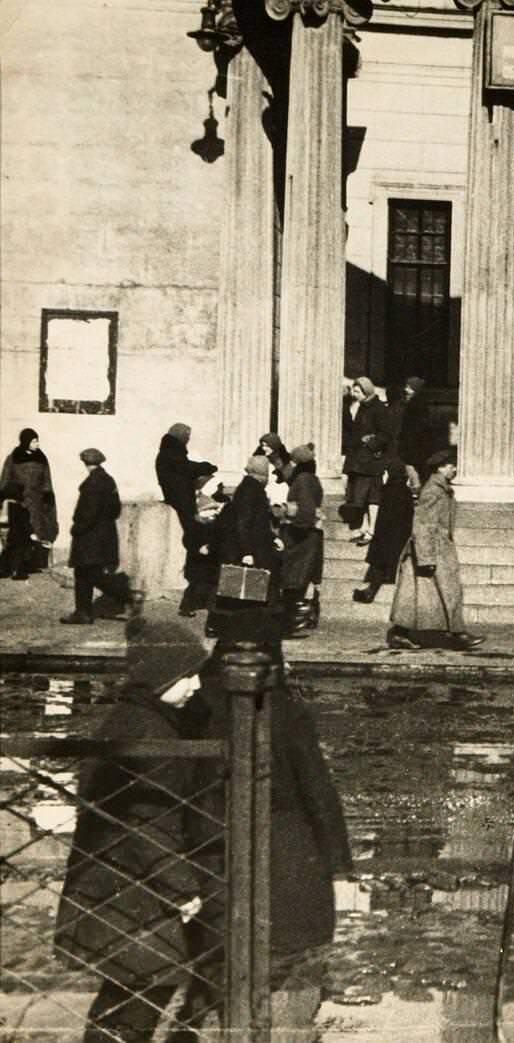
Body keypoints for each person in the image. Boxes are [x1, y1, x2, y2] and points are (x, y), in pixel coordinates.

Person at [54, 613, 215, 1043]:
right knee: (142, 993)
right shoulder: (150, 733)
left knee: (128, 993)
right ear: (160, 677)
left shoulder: (132, 719)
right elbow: (149, 820)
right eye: (188, 676)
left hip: (112, 884)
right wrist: (182, 890)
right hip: (133, 890)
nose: (197, 686)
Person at [186, 635, 353, 1039]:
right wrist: (340, 868)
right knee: (290, 973)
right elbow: (318, 791)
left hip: (213, 849)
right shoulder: (287, 712)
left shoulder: (195, 708)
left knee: (218, 975)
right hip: (288, 855)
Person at [388, 449, 484, 650]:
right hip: (433, 548)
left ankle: (400, 633)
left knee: (417, 595)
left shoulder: (440, 488)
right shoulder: (433, 490)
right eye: (451, 466)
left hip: (438, 547)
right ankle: (457, 633)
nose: (454, 469)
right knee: (446, 591)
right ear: (441, 468)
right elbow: (423, 524)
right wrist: (426, 557)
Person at [210, 455, 282, 637]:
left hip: (248, 545)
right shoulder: (252, 490)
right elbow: (245, 521)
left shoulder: (248, 487)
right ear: (262, 474)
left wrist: (272, 537)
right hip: (248, 547)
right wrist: (247, 551)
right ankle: (220, 625)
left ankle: (226, 625)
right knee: (238, 588)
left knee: (240, 588)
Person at [62, 449, 134, 625]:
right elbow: (116, 509)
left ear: (85, 463)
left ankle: (125, 597)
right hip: (104, 534)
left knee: (91, 574)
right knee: (85, 573)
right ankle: (83, 612)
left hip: (89, 537)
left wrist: (77, 529)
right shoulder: (108, 480)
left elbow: (88, 513)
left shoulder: (92, 482)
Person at [155, 423, 219, 617]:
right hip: (183, 504)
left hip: (182, 503)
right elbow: (187, 468)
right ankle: (194, 601)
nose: (188, 439)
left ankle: (194, 600)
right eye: (187, 436)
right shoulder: (171, 453)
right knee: (199, 546)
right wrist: (208, 466)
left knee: (198, 547)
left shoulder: (169, 451)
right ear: (180, 437)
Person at [353, 449, 416, 604]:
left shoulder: (390, 491)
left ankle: (370, 592)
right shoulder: (403, 491)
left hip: (388, 536)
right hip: (398, 537)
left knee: (379, 561)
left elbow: (386, 518)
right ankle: (370, 591)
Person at [280, 444, 324, 637]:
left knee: (294, 581)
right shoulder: (310, 478)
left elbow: (305, 510)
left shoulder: (304, 480)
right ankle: (299, 618)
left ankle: (292, 622)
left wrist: (290, 520)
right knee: (299, 581)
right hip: (308, 538)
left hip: (301, 539)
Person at [1, 427, 57, 570]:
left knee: (36, 530)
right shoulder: (13, 457)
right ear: (26, 442)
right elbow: (5, 478)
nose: (37, 444)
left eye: (37, 441)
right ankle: (15, 565)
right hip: (18, 501)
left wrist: (47, 495)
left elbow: (47, 479)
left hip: (36, 501)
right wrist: (5, 495)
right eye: (34, 441)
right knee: (18, 532)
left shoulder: (41, 458)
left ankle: (32, 563)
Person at [342, 377, 387, 544]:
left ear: (366, 391)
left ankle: (372, 530)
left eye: (357, 391)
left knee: (373, 497)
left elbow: (385, 434)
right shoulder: (362, 407)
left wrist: (371, 443)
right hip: (360, 460)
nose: (354, 394)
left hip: (372, 462)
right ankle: (364, 527)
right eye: (353, 391)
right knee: (363, 496)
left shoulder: (379, 409)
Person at [0, 477, 35, 579]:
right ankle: (16, 571)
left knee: (6, 551)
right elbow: (25, 523)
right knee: (18, 552)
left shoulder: (3, 506)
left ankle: (2, 569)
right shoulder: (20, 508)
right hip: (17, 535)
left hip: (4, 532)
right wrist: (31, 533)